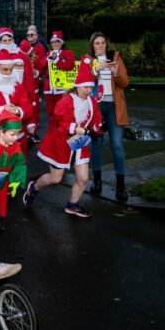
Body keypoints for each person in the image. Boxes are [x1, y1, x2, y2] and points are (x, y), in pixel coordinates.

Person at [25, 57, 102, 217]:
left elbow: (95, 121)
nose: (88, 90)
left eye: (90, 87)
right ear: (78, 86)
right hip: (61, 144)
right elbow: (63, 125)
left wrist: (99, 127)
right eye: (86, 87)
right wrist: (84, 131)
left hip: (79, 145)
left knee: (83, 178)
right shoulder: (66, 102)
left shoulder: (92, 102)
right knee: (55, 178)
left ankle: (72, 205)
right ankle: (34, 188)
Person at [86, 32, 131, 201]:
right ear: (92, 45)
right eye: (97, 43)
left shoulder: (116, 58)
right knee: (96, 144)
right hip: (96, 108)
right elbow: (81, 81)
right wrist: (95, 70)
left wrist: (115, 72)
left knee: (117, 145)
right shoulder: (88, 60)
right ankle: (97, 181)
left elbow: (125, 83)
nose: (100, 45)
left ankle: (121, 185)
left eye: (103, 42)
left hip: (114, 107)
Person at [43, 31, 76, 129]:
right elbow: (41, 67)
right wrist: (46, 60)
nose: (55, 43)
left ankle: (62, 130)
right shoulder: (48, 53)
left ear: (62, 42)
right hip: (49, 86)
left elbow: (70, 66)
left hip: (61, 86)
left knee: (62, 110)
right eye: (53, 41)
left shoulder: (67, 53)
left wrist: (57, 60)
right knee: (50, 111)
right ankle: (52, 132)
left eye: (57, 41)